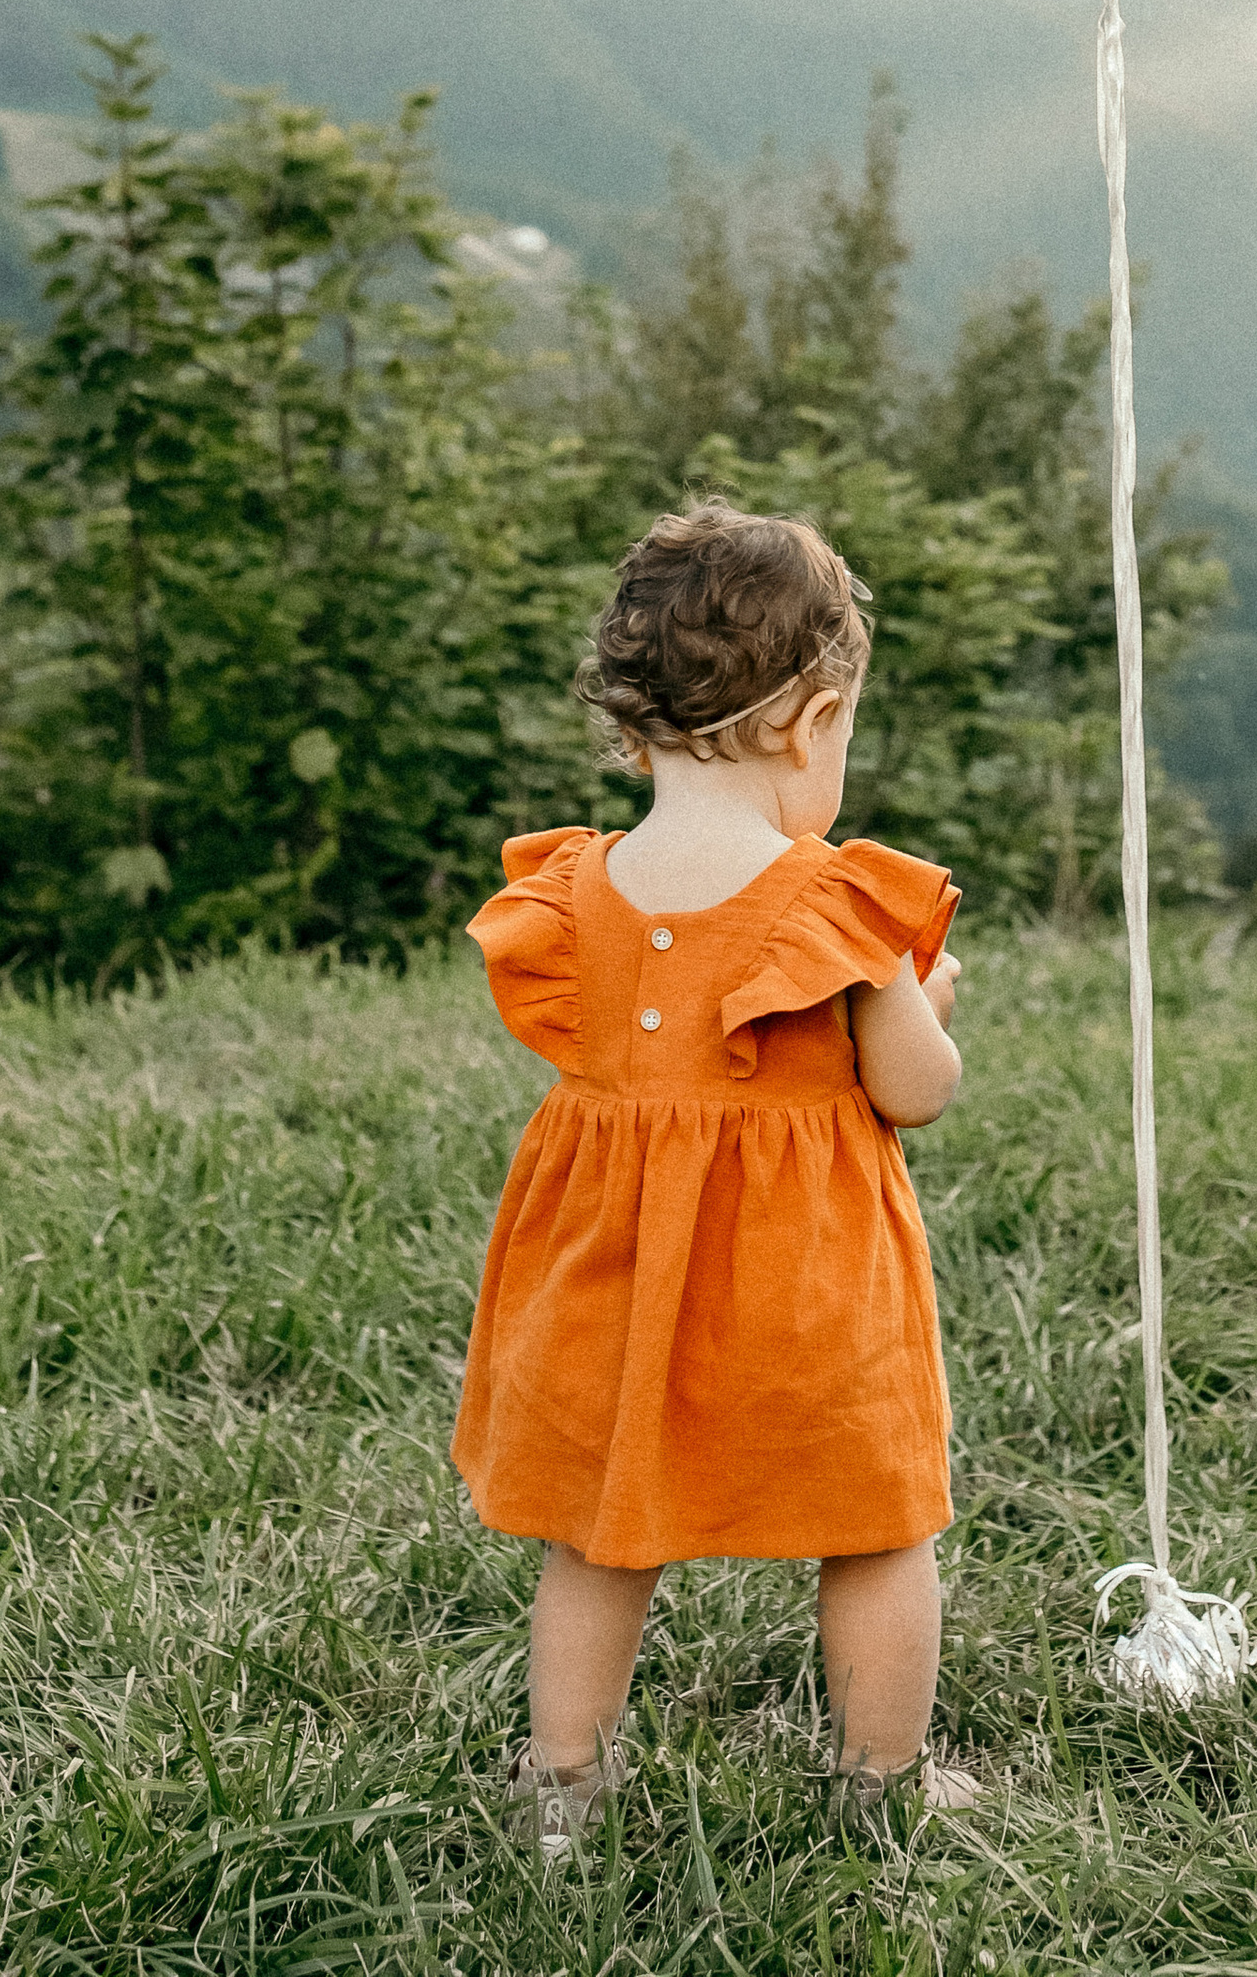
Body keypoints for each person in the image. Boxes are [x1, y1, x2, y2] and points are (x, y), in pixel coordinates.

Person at [451, 498, 971, 1858]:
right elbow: (914, 1091)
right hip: (808, 1297)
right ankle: (881, 1787)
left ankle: (564, 1788)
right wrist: (923, 1003)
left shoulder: (574, 892)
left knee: (596, 1533)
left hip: (617, 1289)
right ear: (814, 721)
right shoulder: (835, 903)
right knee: (877, 1528)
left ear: (634, 727)